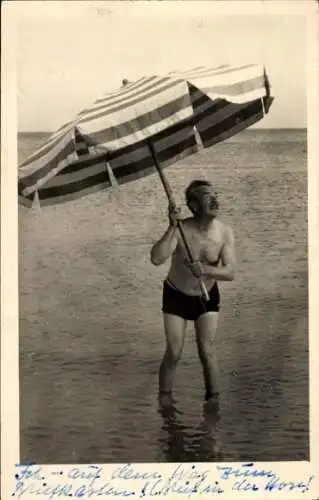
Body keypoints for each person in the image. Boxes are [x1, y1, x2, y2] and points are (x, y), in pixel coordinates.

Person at [150, 179, 236, 407]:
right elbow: (156, 259)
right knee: (174, 351)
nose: (216, 199)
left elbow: (230, 273)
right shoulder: (182, 230)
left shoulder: (224, 232)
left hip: (206, 295)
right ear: (194, 204)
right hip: (176, 294)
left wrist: (206, 269)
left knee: (206, 349)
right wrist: (171, 226)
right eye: (208, 196)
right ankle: (165, 403)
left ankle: (213, 403)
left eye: (216, 194)